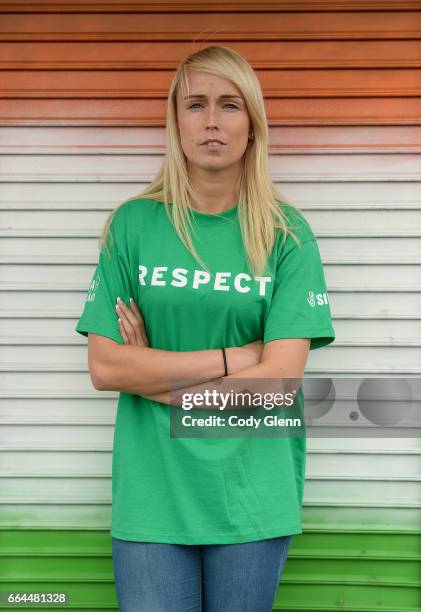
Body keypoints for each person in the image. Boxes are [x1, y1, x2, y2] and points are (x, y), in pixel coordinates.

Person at [75, 45, 335, 612]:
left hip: (252, 490)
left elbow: (278, 387)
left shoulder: (287, 236)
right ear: (175, 121)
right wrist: (236, 358)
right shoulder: (133, 225)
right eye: (195, 104)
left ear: (252, 125)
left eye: (229, 105)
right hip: (153, 492)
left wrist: (153, 378)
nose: (212, 120)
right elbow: (106, 367)